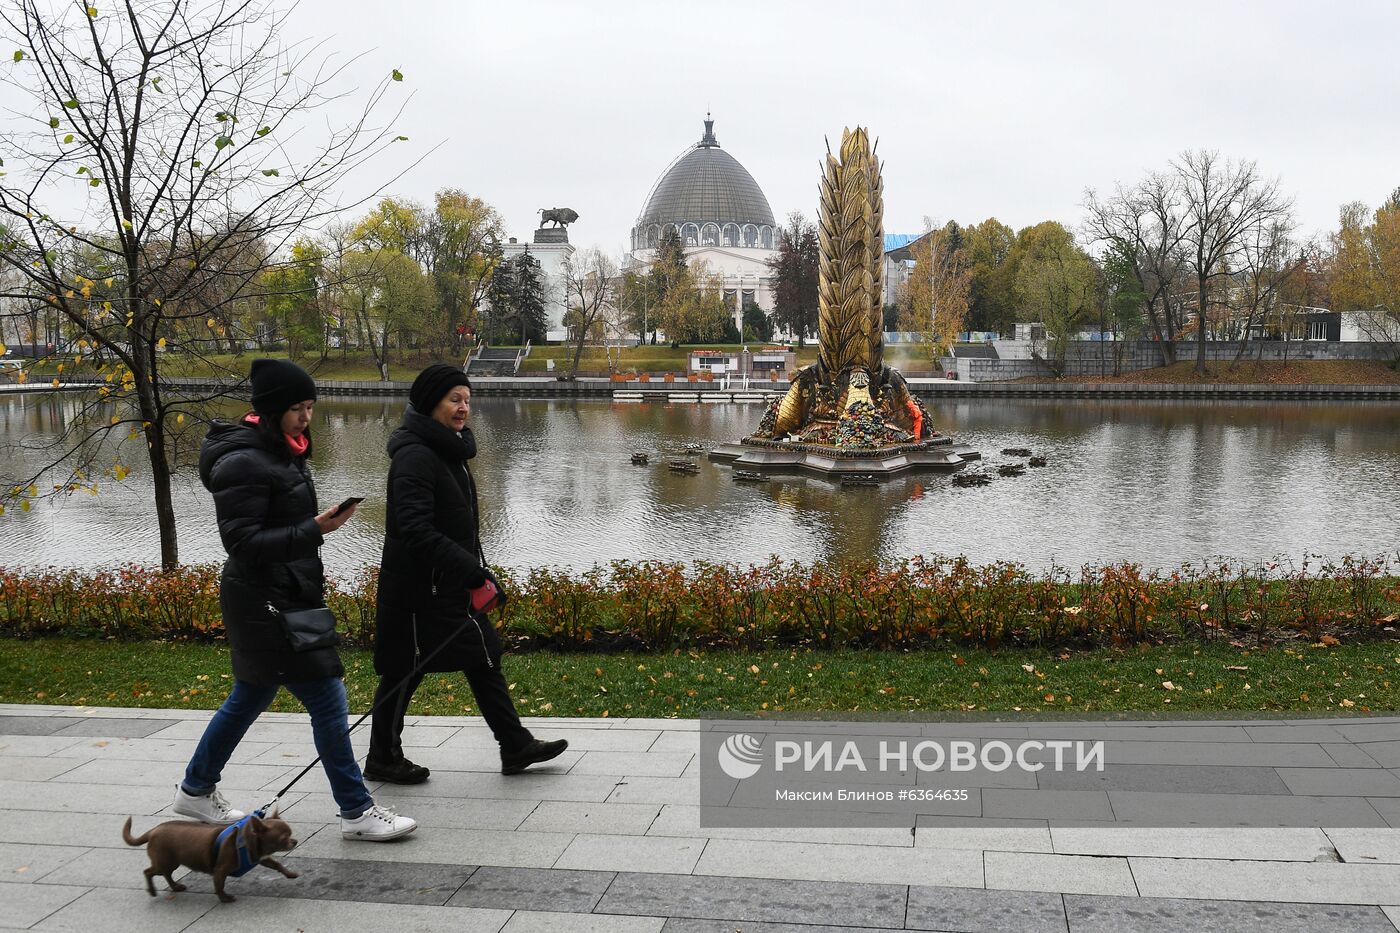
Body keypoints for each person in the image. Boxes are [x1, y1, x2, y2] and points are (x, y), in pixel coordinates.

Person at [173, 358, 416, 841]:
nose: (306, 417)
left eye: (310, 407)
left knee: (250, 696)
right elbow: (242, 543)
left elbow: (274, 529)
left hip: (282, 596)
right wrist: (313, 530)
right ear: (269, 410)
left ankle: (196, 788)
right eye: (297, 408)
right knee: (328, 698)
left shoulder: (280, 453)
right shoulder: (243, 462)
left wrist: (310, 531)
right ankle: (356, 811)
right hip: (264, 603)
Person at [366, 364, 567, 783]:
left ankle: (514, 745)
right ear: (430, 402)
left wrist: (475, 570)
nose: (463, 409)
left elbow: (456, 523)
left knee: (483, 654)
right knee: (405, 668)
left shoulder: (447, 450)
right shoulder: (416, 456)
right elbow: (416, 529)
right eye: (455, 399)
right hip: (421, 589)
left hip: (447, 584)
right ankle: (383, 756)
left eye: (468, 401)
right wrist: (472, 573)